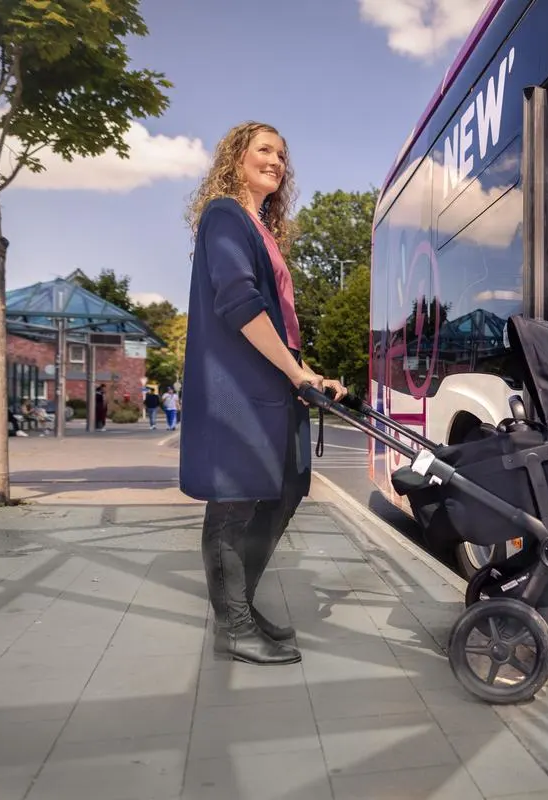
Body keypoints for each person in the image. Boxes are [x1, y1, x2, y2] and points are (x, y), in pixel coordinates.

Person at [180, 121, 346, 666]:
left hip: (274, 384)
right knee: (234, 501)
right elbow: (239, 304)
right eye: (264, 150)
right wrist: (295, 376)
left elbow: (280, 322)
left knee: (286, 489)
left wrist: (308, 374)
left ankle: (241, 607)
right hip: (240, 391)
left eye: (282, 153)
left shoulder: (261, 227)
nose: (276, 160)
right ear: (236, 157)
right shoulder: (225, 215)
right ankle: (232, 626)